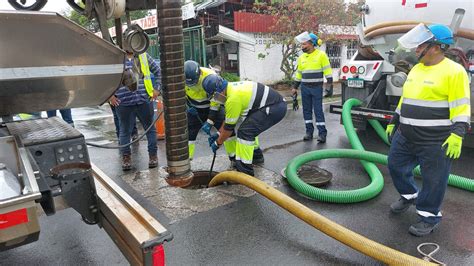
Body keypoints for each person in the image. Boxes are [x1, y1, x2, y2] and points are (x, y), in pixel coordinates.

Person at [386, 24, 471, 236]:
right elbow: (406, 98)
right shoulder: (416, 68)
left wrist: (457, 133)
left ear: (436, 47)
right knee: (395, 165)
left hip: (435, 140)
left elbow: (461, 105)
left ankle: (428, 215)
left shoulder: (454, 72)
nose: (416, 49)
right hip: (406, 135)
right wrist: (394, 119)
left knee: (434, 180)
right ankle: (409, 195)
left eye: (421, 44)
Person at [203, 76, 287, 176]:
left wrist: (218, 143)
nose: (215, 99)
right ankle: (257, 157)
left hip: (274, 107)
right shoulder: (231, 89)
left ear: (219, 91)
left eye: (214, 96)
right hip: (272, 105)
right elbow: (227, 121)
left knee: (245, 132)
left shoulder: (232, 99)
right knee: (248, 128)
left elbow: (228, 129)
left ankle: (245, 170)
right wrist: (218, 133)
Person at [184, 60, 252, 164]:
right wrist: (188, 106)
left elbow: (216, 99)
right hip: (194, 109)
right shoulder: (181, 78)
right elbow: (179, 95)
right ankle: (186, 161)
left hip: (212, 106)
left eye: (195, 82)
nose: (193, 86)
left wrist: (210, 121)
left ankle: (233, 157)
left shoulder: (210, 77)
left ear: (200, 74)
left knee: (228, 130)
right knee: (189, 133)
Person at [111, 51, 161, 170]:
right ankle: (126, 158)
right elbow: (104, 77)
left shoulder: (143, 56)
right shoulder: (115, 56)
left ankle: (153, 156)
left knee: (150, 129)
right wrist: (110, 96)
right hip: (123, 102)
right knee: (124, 131)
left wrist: (157, 89)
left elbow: (159, 72)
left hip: (143, 100)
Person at [292, 31, 333, 142]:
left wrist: (329, 86)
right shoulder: (301, 58)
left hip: (317, 88)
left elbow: (328, 71)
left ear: (311, 43)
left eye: (304, 44)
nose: (302, 46)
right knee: (306, 111)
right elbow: (299, 74)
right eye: (302, 44)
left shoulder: (321, 55)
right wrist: (295, 88)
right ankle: (309, 132)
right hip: (305, 88)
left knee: (318, 111)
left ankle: (322, 134)